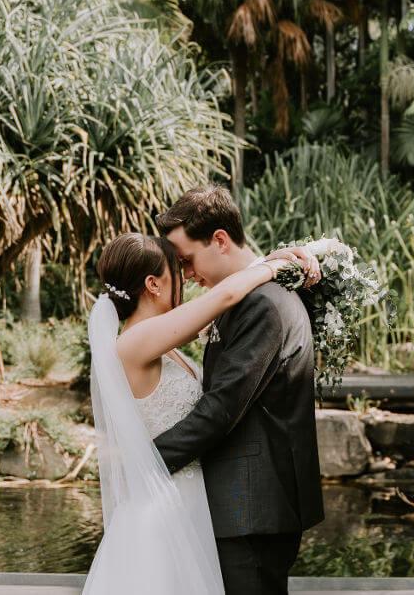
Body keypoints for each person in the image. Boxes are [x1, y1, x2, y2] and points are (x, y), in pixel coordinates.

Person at [83, 229, 320, 595]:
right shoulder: (134, 343)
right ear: (153, 284)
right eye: (177, 270)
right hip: (163, 505)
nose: (187, 278)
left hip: (188, 497)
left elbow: (222, 312)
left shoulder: (162, 340)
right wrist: (276, 264)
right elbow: (226, 294)